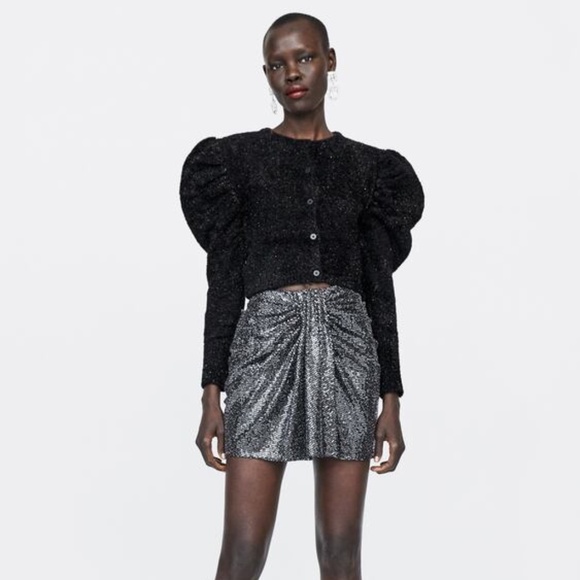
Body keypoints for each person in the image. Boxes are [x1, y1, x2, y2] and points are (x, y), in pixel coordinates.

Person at [179, 12, 424, 580]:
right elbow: (224, 282)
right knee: (243, 551)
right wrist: (212, 391)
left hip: (347, 348)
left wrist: (390, 396)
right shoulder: (234, 161)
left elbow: (378, 288)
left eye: (305, 58)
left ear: (330, 61)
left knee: (340, 551)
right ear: (266, 73)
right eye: (277, 64)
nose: (292, 73)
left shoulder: (371, 169)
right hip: (264, 346)